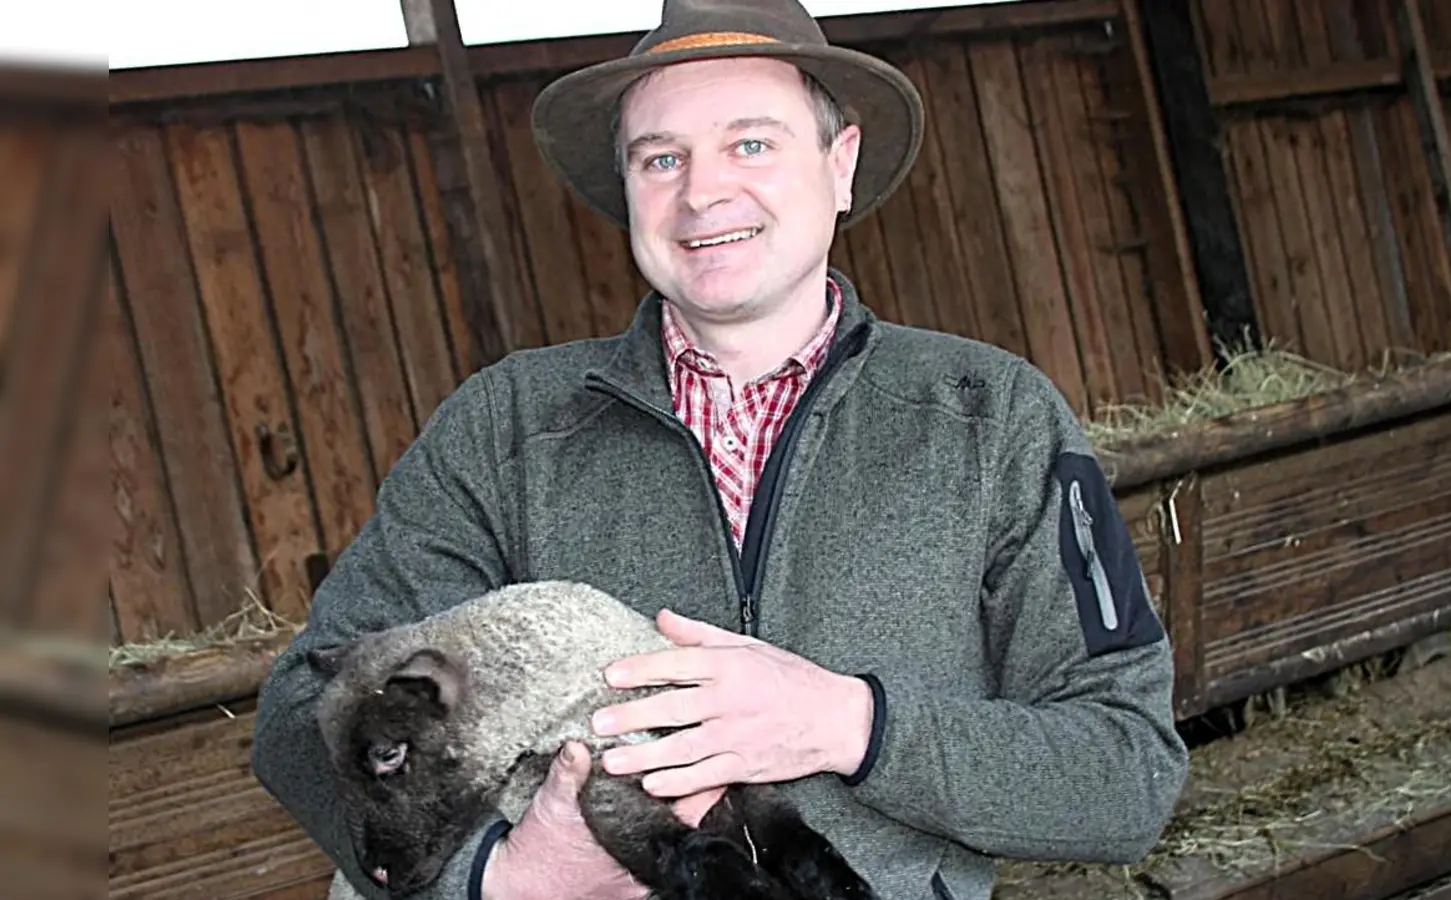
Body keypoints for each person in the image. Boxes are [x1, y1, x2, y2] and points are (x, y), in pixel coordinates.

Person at [250, 0, 1190, 898]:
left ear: (841, 162)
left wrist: (849, 725)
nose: (703, 192)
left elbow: (1126, 772)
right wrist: (499, 880)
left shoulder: (993, 418)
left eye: (751, 143)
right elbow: (303, 711)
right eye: (660, 158)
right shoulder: (506, 428)